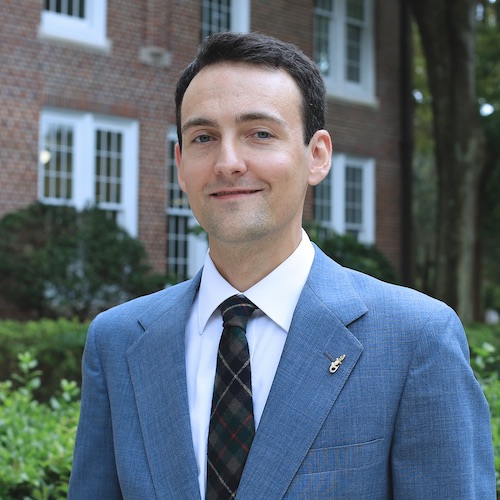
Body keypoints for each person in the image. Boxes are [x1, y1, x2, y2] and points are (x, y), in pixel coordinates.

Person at [68, 32, 495, 499]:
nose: (228, 163)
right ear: (180, 163)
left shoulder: (417, 340)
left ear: (317, 156)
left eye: (260, 134)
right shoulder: (117, 342)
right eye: (204, 137)